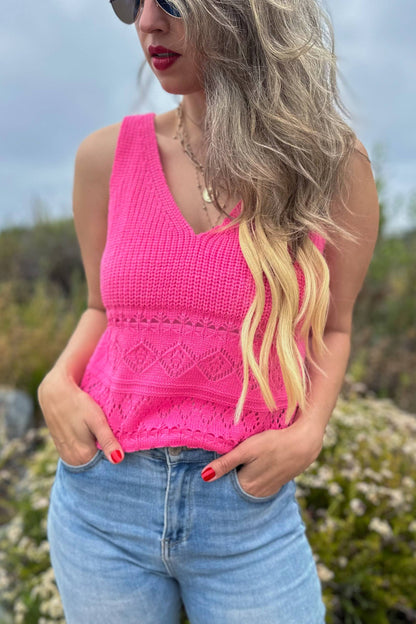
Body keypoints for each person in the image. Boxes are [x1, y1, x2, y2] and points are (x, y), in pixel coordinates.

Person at [38, 0, 379, 622]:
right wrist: (56, 382)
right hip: (101, 505)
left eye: (171, 2)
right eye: (134, 4)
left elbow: (334, 326)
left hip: (246, 515)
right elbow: (99, 308)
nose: (146, 22)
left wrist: (308, 434)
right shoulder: (102, 158)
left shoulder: (332, 166)